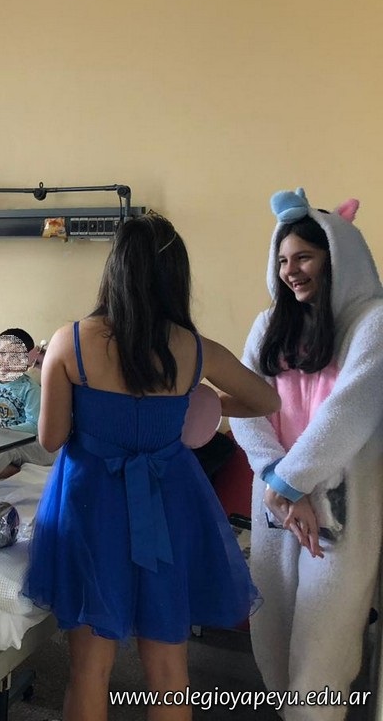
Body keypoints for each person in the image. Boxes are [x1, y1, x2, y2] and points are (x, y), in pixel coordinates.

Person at [23, 212, 279, 721]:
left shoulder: (70, 341)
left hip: (90, 506)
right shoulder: (194, 348)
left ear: (114, 269)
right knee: (168, 671)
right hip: (169, 505)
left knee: (89, 669)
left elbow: (50, 439)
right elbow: (266, 400)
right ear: (175, 276)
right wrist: (201, 404)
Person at [230, 189, 383, 721]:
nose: (291, 271)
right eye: (282, 261)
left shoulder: (372, 322)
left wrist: (292, 483)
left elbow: (351, 411)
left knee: (325, 636)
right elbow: (246, 405)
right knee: (272, 625)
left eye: (304, 258)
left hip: (339, 505)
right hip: (277, 498)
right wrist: (278, 479)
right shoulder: (268, 324)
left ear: (335, 258)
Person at [0, 328, 53, 479]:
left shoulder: (30, 389)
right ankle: (9, 468)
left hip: (32, 442)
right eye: (2, 353)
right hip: (2, 436)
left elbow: (34, 426)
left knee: (5, 448)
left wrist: (3, 431)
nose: (6, 361)